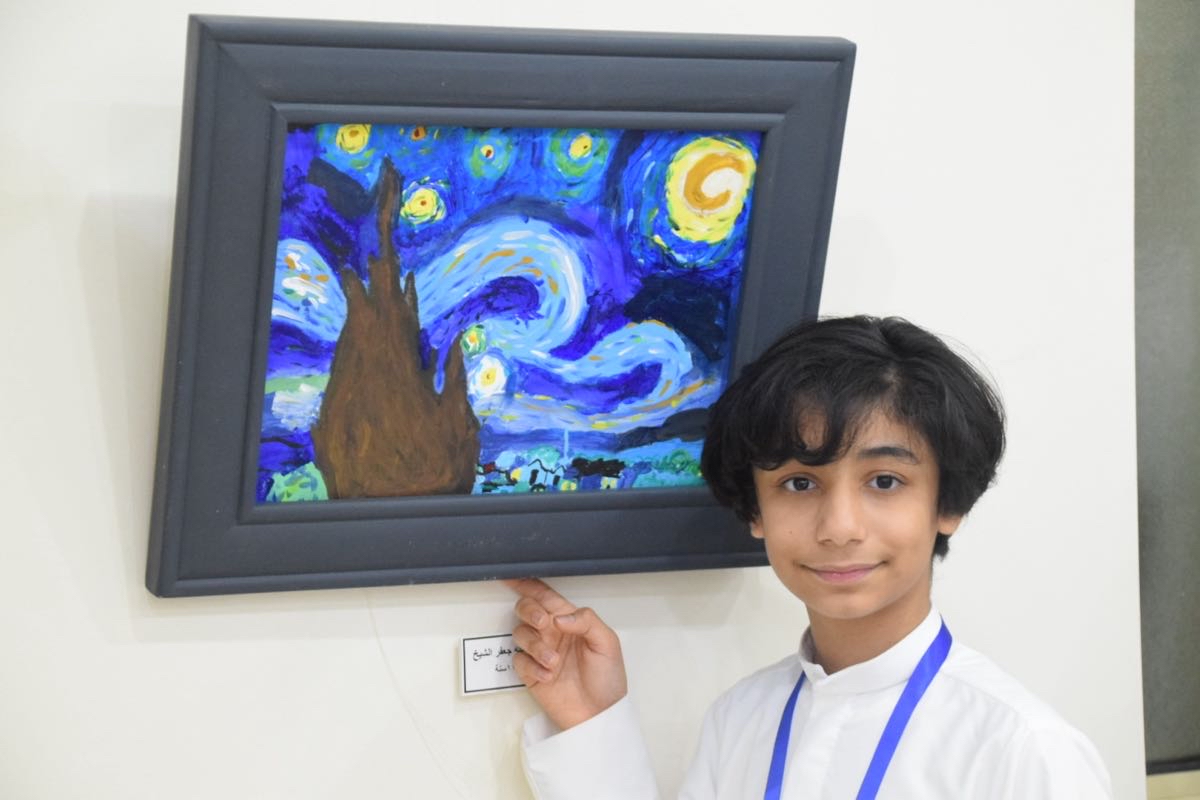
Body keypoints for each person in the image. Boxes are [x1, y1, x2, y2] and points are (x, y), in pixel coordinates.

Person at [507, 315, 1112, 799]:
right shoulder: (741, 717)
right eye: (799, 483)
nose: (839, 528)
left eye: (884, 481)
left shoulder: (1024, 749)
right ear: (755, 510)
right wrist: (593, 723)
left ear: (947, 503)